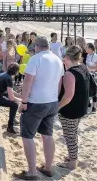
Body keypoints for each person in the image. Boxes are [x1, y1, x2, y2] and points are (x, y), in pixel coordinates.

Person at [16, 36, 64, 180]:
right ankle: (48, 168)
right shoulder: (58, 60)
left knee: (27, 136)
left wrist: (23, 102)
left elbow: (27, 82)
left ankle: (32, 172)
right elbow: (59, 84)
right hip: (52, 102)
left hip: (36, 103)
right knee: (47, 135)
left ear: (36, 46)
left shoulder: (35, 59)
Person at [57, 45, 91, 170]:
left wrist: (57, 107)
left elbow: (68, 95)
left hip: (70, 110)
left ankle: (72, 163)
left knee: (69, 135)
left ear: (67, 57)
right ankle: (73, 156)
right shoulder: (83, 68)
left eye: (64, 58)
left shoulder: (70, 74)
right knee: (73, 133)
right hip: (81, 108)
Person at [0, 63, 22, 134]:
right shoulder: (9, 78)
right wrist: (22, 100)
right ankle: (10, 126)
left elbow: (10, 91)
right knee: (15, 105)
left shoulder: (3, 74)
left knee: (9, 97)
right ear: (16, 72)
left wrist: (20, 96)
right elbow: (12, 98)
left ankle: (13, 120)